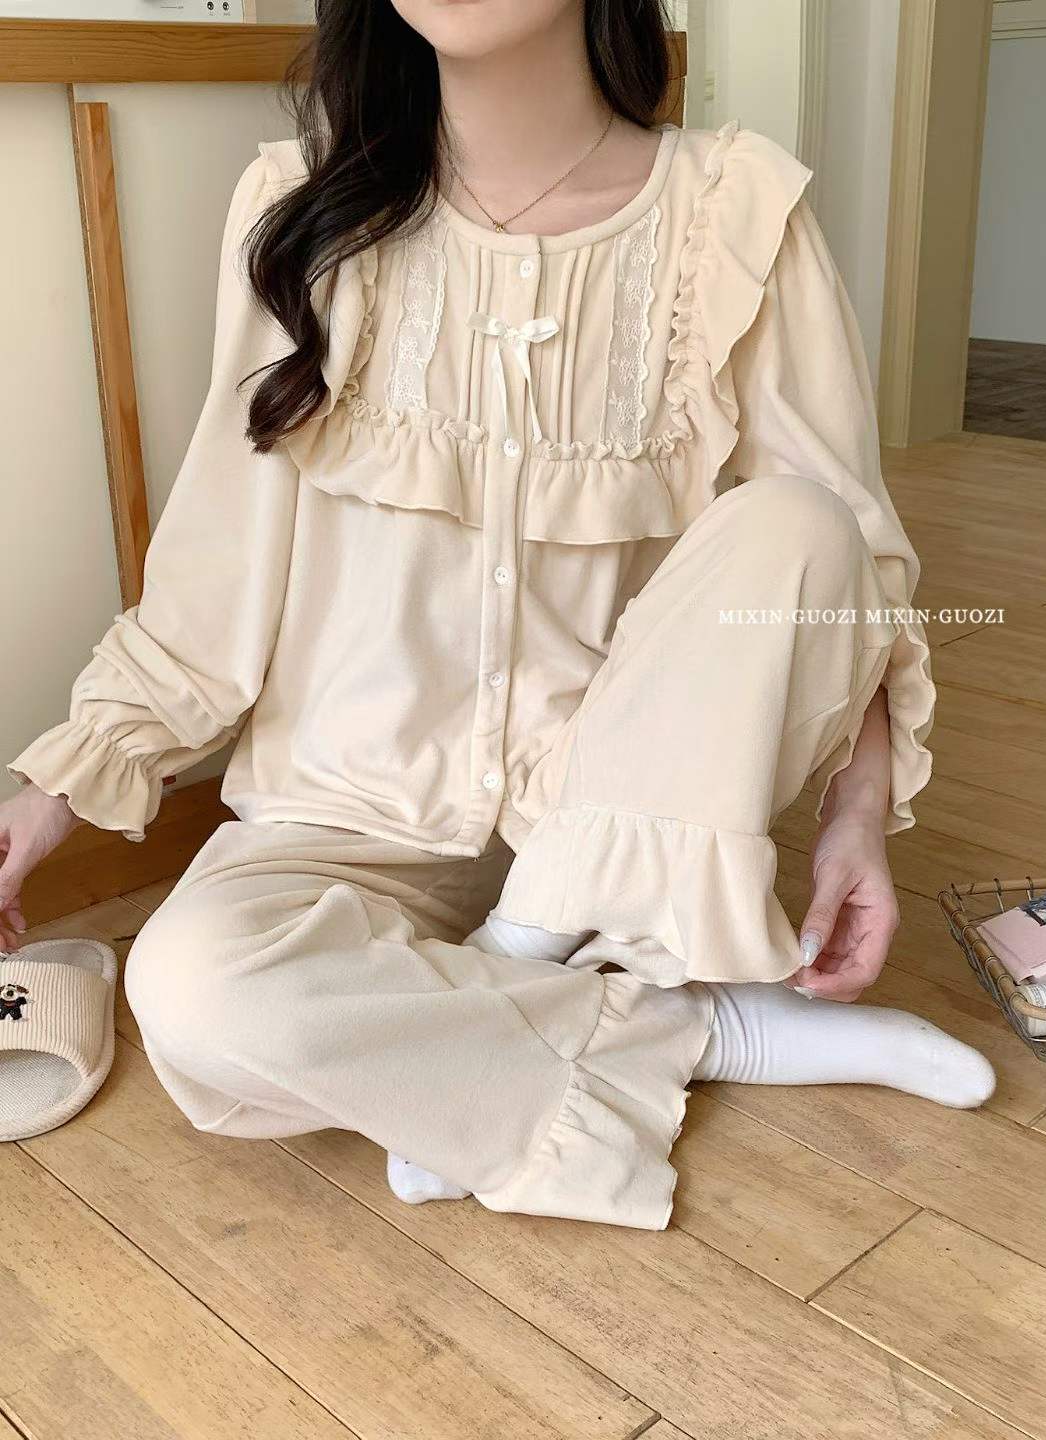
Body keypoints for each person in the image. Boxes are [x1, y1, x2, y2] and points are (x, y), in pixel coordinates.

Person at [0, 0, 993, 1229]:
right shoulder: (302, 212)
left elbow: (849, 575)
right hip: (347, 818)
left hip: (618, 814)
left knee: (805, 522)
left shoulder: (734, 216)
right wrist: (56, 789)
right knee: (193, 992)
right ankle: (705, 1025)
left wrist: (858, 821)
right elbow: (216, 574)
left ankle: (493, 1013)